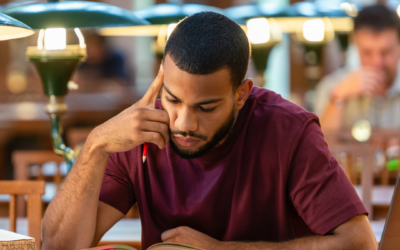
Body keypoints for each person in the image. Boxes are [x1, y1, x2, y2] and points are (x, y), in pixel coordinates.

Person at [42, 12, 377, 250]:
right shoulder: (139, 130)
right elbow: (58, 247)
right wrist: (96, 144)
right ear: (161, 78)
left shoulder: (289, 131)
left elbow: (360, 243)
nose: (184, 123)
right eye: (172, 99)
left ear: (241, 94)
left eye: (206, 107)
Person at [315, 4, 400, 132]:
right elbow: (320, 146)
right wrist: (339, 97)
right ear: (356, 47)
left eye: (386, 52)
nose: (377, 62)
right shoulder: (331, 87)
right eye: (367, 52)